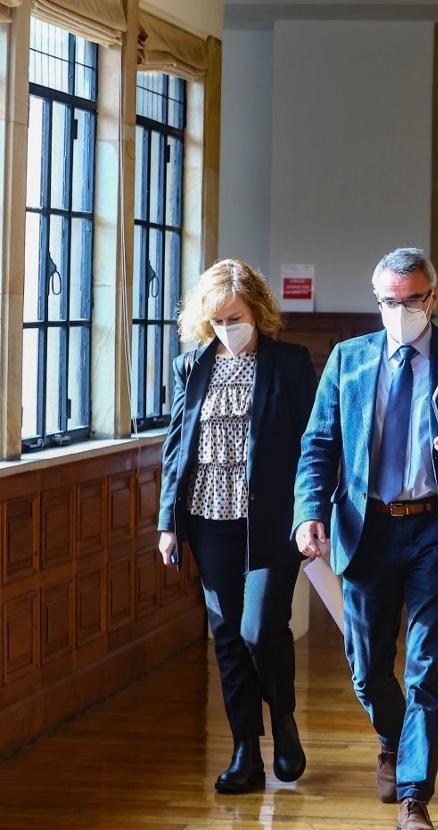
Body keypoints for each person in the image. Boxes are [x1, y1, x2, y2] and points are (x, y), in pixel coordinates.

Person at [292, 248, 438, 830]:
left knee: (427, 667)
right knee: (365, 667)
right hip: (366, 528)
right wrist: (309, 511)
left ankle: (415, 795)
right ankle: (394, 735)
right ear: (376, 299)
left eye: (411, 299)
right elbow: (319, 445)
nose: (400, 310)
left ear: (432, 298)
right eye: (389, 301)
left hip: (435, 528)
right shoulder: (348, 359)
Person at [156, 259, 316, 793]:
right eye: (219, 319)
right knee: (227, 638)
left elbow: (313, 445)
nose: (229, 327)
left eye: (237, 316)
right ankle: (245, 750)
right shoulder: (191, 366)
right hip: (207, 519)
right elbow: (176, 446)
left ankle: (285, 722)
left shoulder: (289, 364)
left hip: (271, 522)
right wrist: (168, 524)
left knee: (260, 629)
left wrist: (313, 512)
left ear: (258, 312)